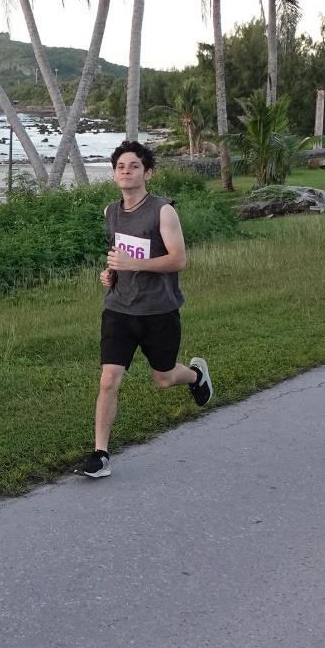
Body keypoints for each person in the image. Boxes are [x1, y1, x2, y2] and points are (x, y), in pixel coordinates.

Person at [77, 140, 213, 479]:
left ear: (148, 172)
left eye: (134, 165)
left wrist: (133, 263)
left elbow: (179, 259)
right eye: (120, 166)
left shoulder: (163, 211)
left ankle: (196, 376)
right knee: (109, 379)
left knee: (164, 378)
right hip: (119, 308)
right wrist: (111, 272)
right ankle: (101, 455)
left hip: (159, 310)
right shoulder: (111, 211)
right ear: (113, 174)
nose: (126, 171)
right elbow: (118, 254)